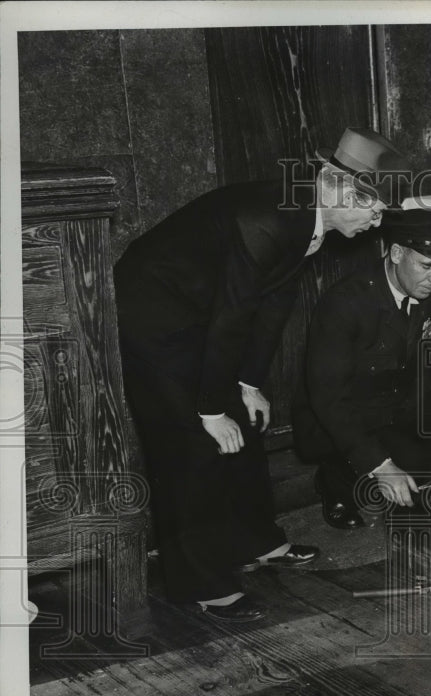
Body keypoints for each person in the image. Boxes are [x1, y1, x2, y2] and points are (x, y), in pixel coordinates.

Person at [114, 127, 411, 622]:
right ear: (340, 189)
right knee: (189, 442)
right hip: (156, 313)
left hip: (205, 309)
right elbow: (232, 317)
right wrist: (209, 409)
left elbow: (275, 300)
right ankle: (198, 582)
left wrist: (249, 384)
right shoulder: (269, 221)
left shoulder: (306, 216)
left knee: (245, 425)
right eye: (375, 209)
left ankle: (254, 541)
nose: (378, 223)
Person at [292, 208, 431, 528]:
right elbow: (329, 400)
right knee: (401, 481)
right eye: (428, 266)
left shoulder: (429, 288)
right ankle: (336, 479)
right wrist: (381, 465)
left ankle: (386, 464)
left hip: (394, 402)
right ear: (396, 253)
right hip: (339, 416)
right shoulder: (345, 304)